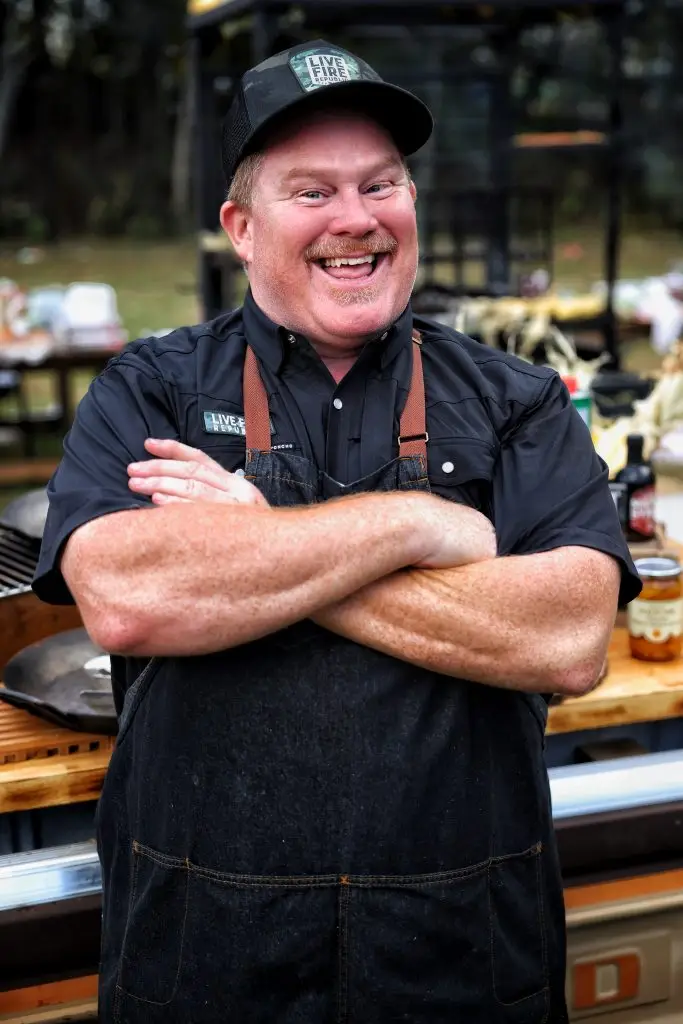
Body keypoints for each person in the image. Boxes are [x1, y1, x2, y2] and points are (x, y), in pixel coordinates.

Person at [34, 39, 640, 1024]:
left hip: (459, 956)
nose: (355, 219)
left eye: (379, 184)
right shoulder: (151, 389)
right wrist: (420, 525)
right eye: (311, 192)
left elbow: (566, 638)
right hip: (206, 959)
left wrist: (255, 541)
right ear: (239, 224)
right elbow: (130, 598)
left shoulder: (515, 400)